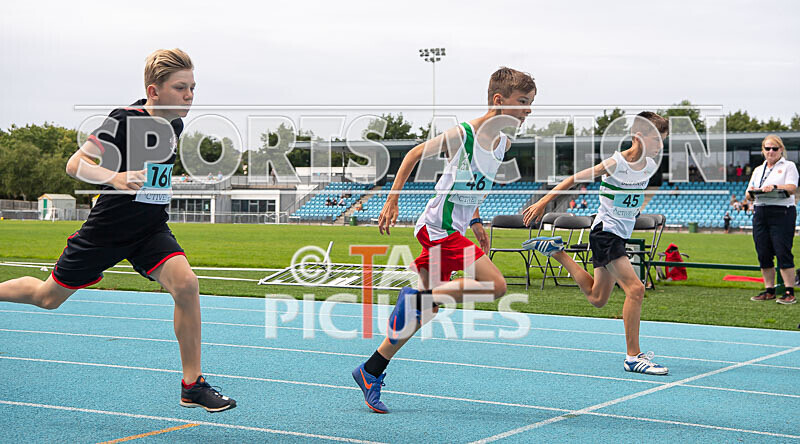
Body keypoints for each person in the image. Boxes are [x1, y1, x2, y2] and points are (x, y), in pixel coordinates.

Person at [0, 49, 236, 412]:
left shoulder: (175, 125)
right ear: (154, 91)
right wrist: (115, 177)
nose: (190, 95)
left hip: (149, 230)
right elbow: (76, 163)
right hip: (106, 231)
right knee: (47, 298)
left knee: (187, 285)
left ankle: (192, 385)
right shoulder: (123, 120)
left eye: (193, 87)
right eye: (181, 88)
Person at [352, 67, 536, 413]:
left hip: (453, 229)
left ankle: (371, 370)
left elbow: (471, 185)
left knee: (427, 311)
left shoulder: (503, 143)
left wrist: (476, 220)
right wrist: (392, 199)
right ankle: (418, 298)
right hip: (439, 229)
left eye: (530, 104)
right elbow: (412, 155)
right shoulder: (464, 134)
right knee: (495, 285)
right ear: (499, 100)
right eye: (523, 102)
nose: (528, 110)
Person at [522, 111, 670, 376]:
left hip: (618, 235)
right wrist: (543, 203)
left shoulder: (649, 166)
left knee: (597, 297)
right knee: (636, 289)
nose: (661, 146)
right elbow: (573, 179)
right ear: (638, 136)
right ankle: (633, 356)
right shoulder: (615, 163)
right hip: (605, 233)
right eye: (657, 139)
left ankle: (557, 252)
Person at [745, 134, 798, 304]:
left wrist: (774, 187)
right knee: (763, 252)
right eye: (767, 148)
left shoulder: (789, 166)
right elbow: (747, 193)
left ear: (781, 149)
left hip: (782, 212)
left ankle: (789, 292)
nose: (771, 151)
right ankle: (769, 290)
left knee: (783, 251)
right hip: (761, 211)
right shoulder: (758, 170)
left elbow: (792, 188)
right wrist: (753, 192)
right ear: (763, 150)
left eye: (775, 148)